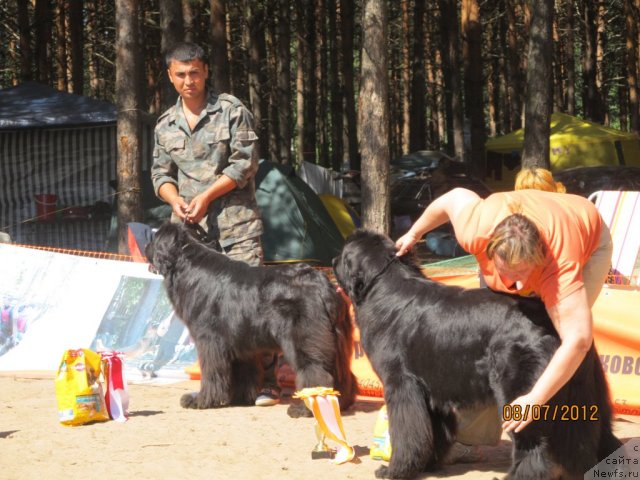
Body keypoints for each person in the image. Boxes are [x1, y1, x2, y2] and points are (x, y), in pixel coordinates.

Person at [395, 186, 612, 451]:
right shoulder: (475, 228)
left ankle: (561, 441)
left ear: (538, 256)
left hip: (588, 237)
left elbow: (577, 341)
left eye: (524, 272)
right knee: (488, 343)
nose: (519, 286)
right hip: (527, 222)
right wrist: (414, 233)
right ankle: (471, 442)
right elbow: (452, 197)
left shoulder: (560, 269)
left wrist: (535, 398)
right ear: (488, 251)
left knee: (547, 344)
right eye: (509, 273)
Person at [151, 42, 279, 407]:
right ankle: (223, 387)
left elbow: (245, 164)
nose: (188, 80)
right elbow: (160, 172)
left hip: (235, 226)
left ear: (206, 71)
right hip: (191, 237)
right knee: (206, 315)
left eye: (194, 72)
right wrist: (173, 197)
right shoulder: (165, 124)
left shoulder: (231, 111)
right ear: (170, 76)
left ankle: (267, 382)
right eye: (180, 74)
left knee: (253, 305)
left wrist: (206, 196)